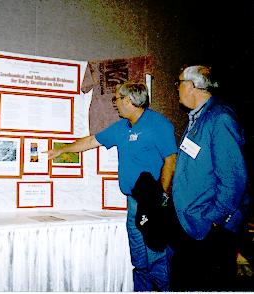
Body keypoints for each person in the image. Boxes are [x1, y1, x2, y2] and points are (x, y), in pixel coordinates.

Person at [45, 81, 177, 291]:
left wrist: (161, 197)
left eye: (117, 98)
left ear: (130, 100)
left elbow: (171, 159)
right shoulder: (121, 127)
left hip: (153, 202)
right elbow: (91, 142)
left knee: (157, 259)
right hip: (133, 203)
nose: (115, 102)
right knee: (139, 262)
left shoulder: (158, 124)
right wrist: (62, 150)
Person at [170, 65, 251, 291]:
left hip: (209, 228)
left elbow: (234, 179)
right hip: (192, 223)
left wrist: (213, 221)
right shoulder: (197, 118)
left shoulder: (220, 119)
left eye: (179, 84)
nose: (177, 90)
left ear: (192, 86)